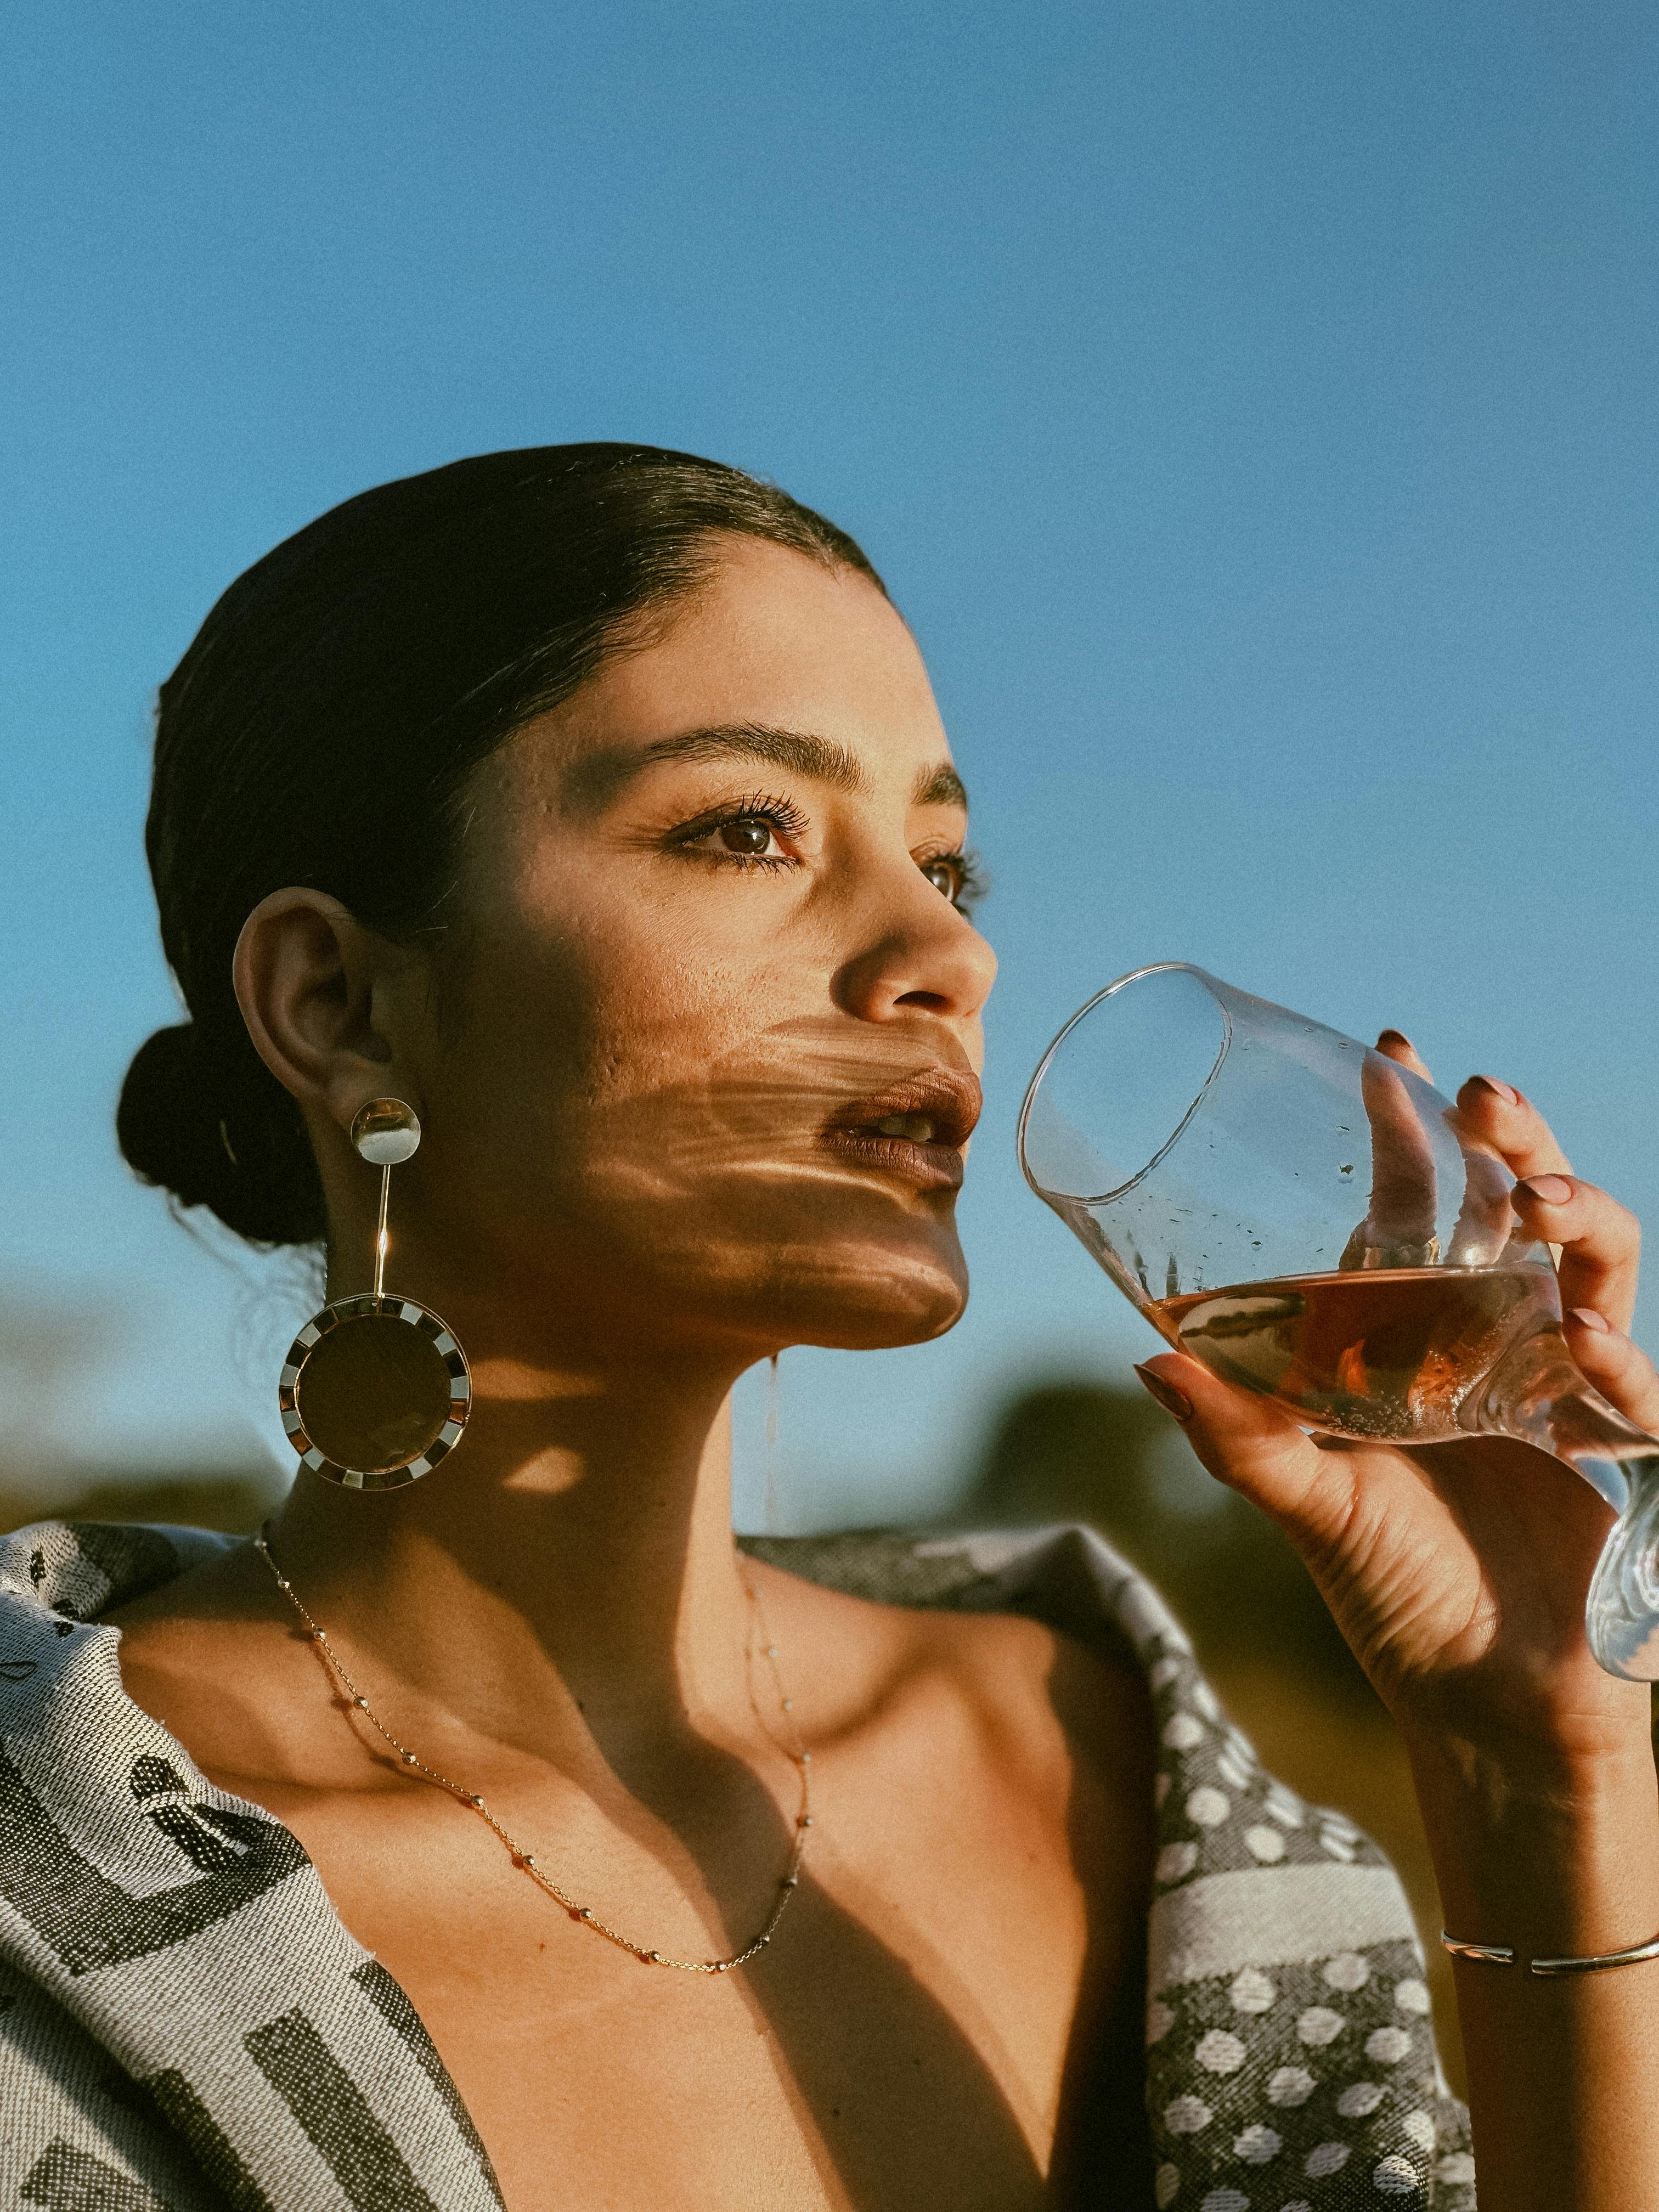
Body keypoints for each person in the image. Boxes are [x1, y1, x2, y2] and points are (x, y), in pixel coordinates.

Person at [1, 445, 1654, 2212]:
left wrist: (1534, 1772)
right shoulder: (55, 1894)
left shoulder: (1131, 1783)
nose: (946, 952)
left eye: (949, 864)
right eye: (747, 829)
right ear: (338, 1004)